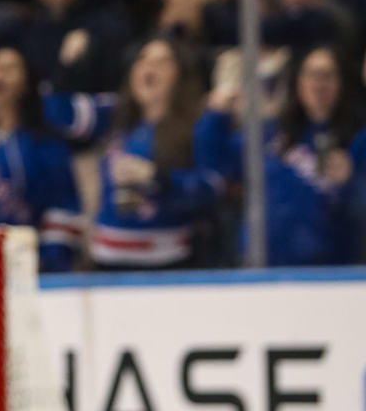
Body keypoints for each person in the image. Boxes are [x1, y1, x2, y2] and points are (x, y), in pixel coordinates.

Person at [205, 45, 366, 265]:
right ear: (297, 81)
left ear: (343, 82)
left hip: (330, 274)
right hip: (263, 267)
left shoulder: (359, 138)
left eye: (327, 75)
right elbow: (217, 162)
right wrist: (216, 114)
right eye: (311, 74)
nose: (318, 84)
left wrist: (349, 183)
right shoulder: (272, 132)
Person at [91, 38, 224, 268]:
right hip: (107, 263)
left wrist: (157, 178)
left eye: (163, 62)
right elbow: (58, 112)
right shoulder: (116, 119)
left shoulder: (200, 124)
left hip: (167, 263)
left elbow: (213, 186)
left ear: (180, 75)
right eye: (143, 60)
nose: (149, 68)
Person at [0, 46, 85, 272]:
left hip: (32, 270)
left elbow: (64, 208)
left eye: (9, 68)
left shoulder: (47, 145)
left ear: (26, 84)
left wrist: (47, 261)